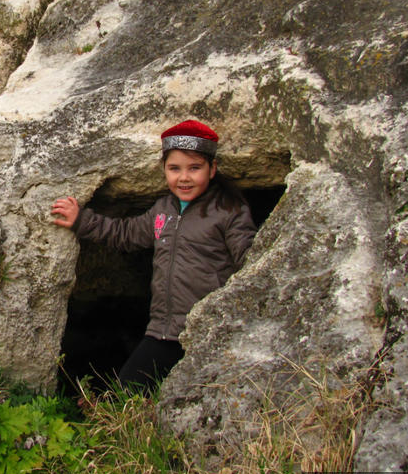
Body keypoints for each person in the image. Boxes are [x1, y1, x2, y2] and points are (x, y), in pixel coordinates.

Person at [51, 120, 256, 392]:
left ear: (212, 169)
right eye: (175, 168)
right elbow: (125, 234)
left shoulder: (229, 211)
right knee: (126, 395)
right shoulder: (162, 210)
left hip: (209, 330)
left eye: (195, 168)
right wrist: (82, 220)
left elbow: (251, 262)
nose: (184, 177)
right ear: (164, 170)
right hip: (163, 330)